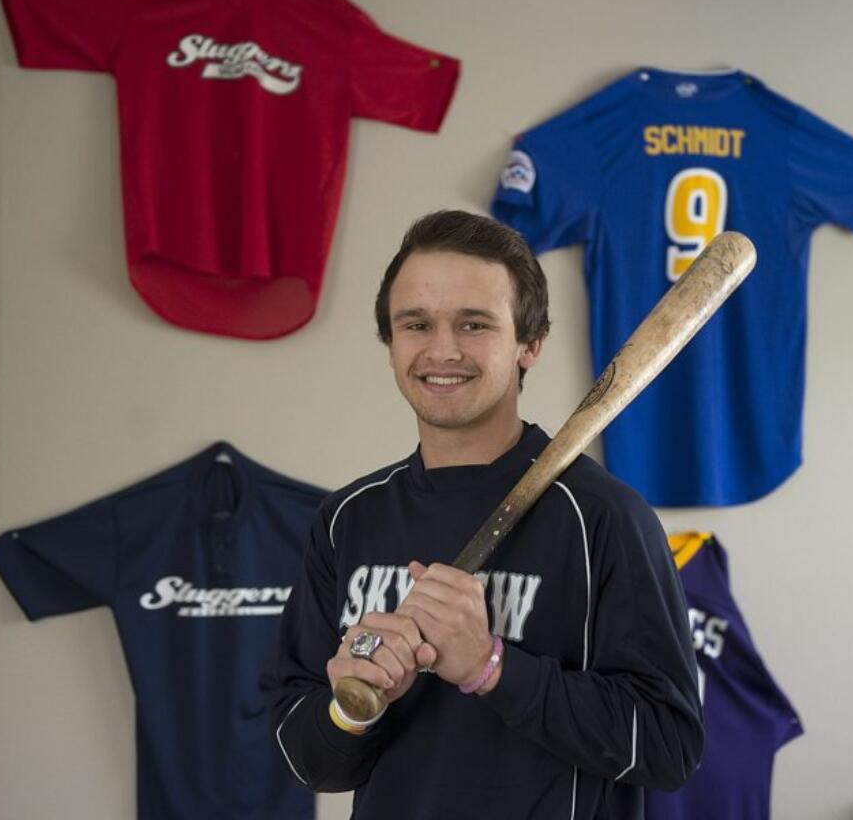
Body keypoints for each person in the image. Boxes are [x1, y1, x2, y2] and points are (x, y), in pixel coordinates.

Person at [259, 210, 703, 819]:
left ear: (530, 344)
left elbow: (667, 746)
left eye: (473, 324)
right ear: (391, 343)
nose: (442, 350)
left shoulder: (602, 518)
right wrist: (350, 708)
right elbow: (311, 760)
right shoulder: (348, 519)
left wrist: (491, 667)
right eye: (416, 324)